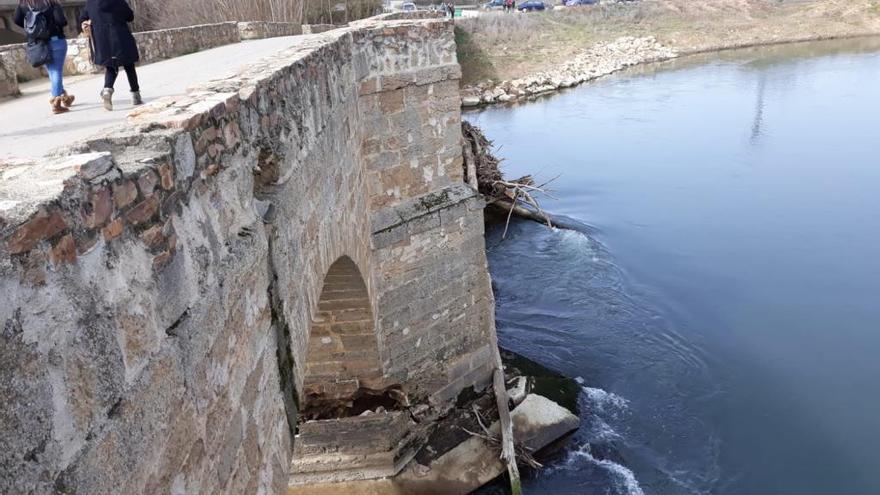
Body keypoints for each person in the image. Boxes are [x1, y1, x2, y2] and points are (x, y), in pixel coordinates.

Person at [13, 0, 75, 114]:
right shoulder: (52, 2)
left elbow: (16, 20)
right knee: (56, 71)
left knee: (52, 71)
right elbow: (61, 21)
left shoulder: (24, 4)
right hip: (56, 40)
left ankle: (65, 97)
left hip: (39, 43)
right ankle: (56, 102)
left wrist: (33, 27)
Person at [80, 0, 142, 111]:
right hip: (120, 36)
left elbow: (83, 17)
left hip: (102, 39)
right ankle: (135, 96)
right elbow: (130, 16)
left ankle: (107, 89)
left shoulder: (91, 2)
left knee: (111, 66)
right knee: (129, 65)